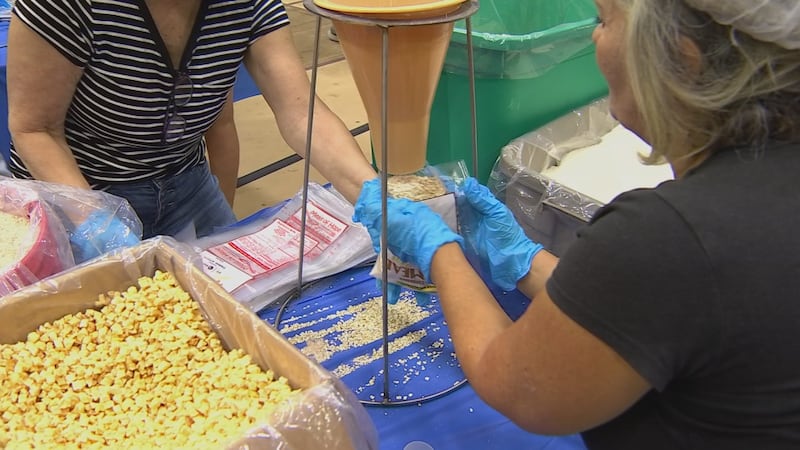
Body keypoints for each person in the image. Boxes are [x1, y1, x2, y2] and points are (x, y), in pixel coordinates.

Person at [353, 0, 800, 448]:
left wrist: (438, 250)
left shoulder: (671, 233)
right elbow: (639, 312)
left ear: (681, 59)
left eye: (604, 21)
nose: (594, 37)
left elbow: (520, 385)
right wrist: (524, 261)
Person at [5, 0, 375, 241]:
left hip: (186, 182)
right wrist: (93, 220)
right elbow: (35, 129)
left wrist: (377, 199)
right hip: (80, 188)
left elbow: (300, 113)